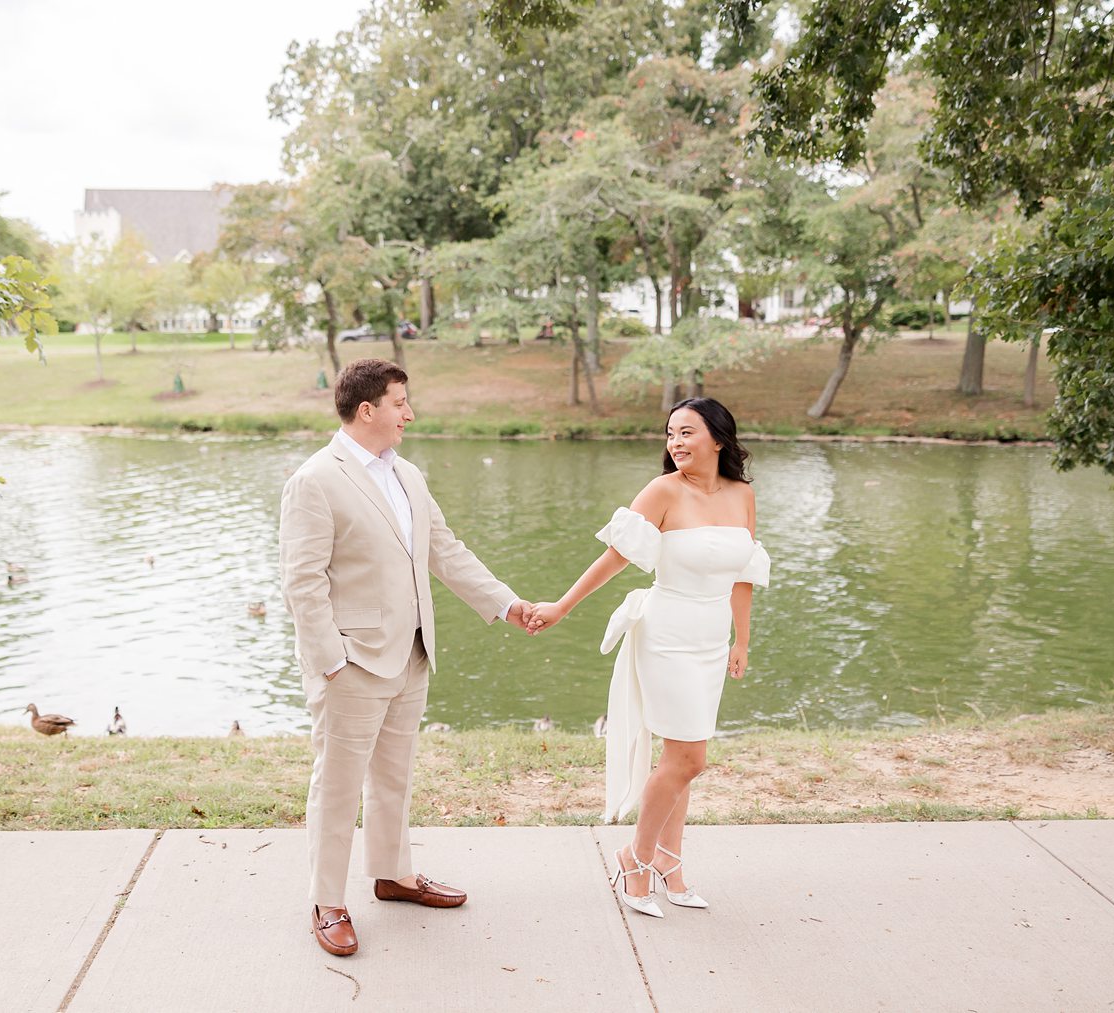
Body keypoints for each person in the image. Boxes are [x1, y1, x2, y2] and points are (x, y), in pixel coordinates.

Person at [279, 357, 531, 957]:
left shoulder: (408, 474)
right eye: (400, 404)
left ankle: (393, 874)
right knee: (338, 788)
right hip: (354, 663)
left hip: (413, 653)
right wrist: (332, 662)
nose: (409, 414)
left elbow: (445, 550)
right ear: (367, 410)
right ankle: (327, 901)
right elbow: (302, 583)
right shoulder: (315, 480)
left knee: (394, 776)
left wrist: (507, 604)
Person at [526, 397, 769, 918]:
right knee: (689, 758)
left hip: (710, 638)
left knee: (679, 758)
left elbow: (745, 573)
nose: (676, 443)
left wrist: (741, 641)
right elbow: (616, 557)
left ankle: (669, 861)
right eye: (670, 434)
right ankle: (634, 857)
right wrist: (562, 606)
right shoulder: (663, 492)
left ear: (719, 439)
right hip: (666, 632)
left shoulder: (743, 494)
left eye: (687, 433)